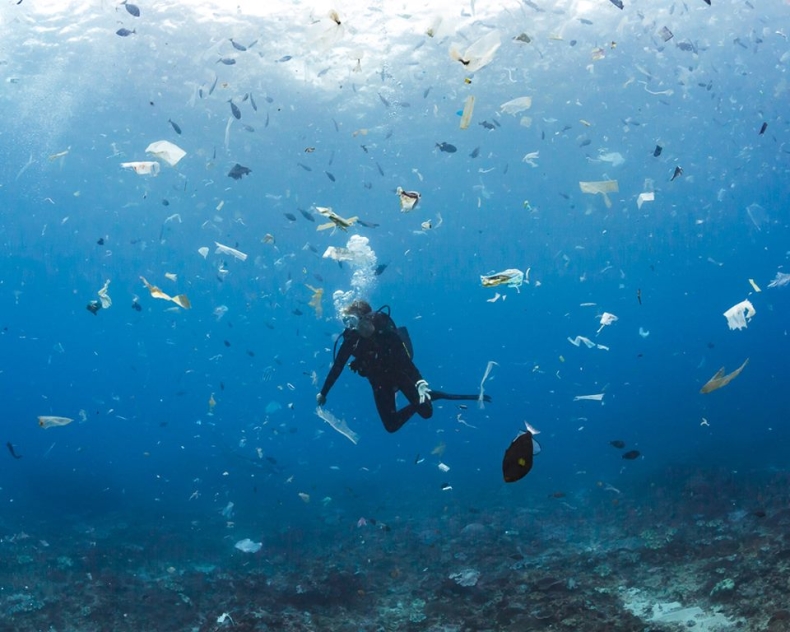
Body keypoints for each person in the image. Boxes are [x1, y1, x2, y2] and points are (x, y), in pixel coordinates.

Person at [316, 300, 490, 433]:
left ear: (367, 317)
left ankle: (433, 395)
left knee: (427, 413)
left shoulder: (386, 333)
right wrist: (324, 392)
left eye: (353, 321)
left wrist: (420, 382)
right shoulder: (351, 340)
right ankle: (428, 397)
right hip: (378, 381)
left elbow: (406, 363)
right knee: (391, 426)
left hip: (397, 372)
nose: (351, 327)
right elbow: (337, 366)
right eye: (347, 322)